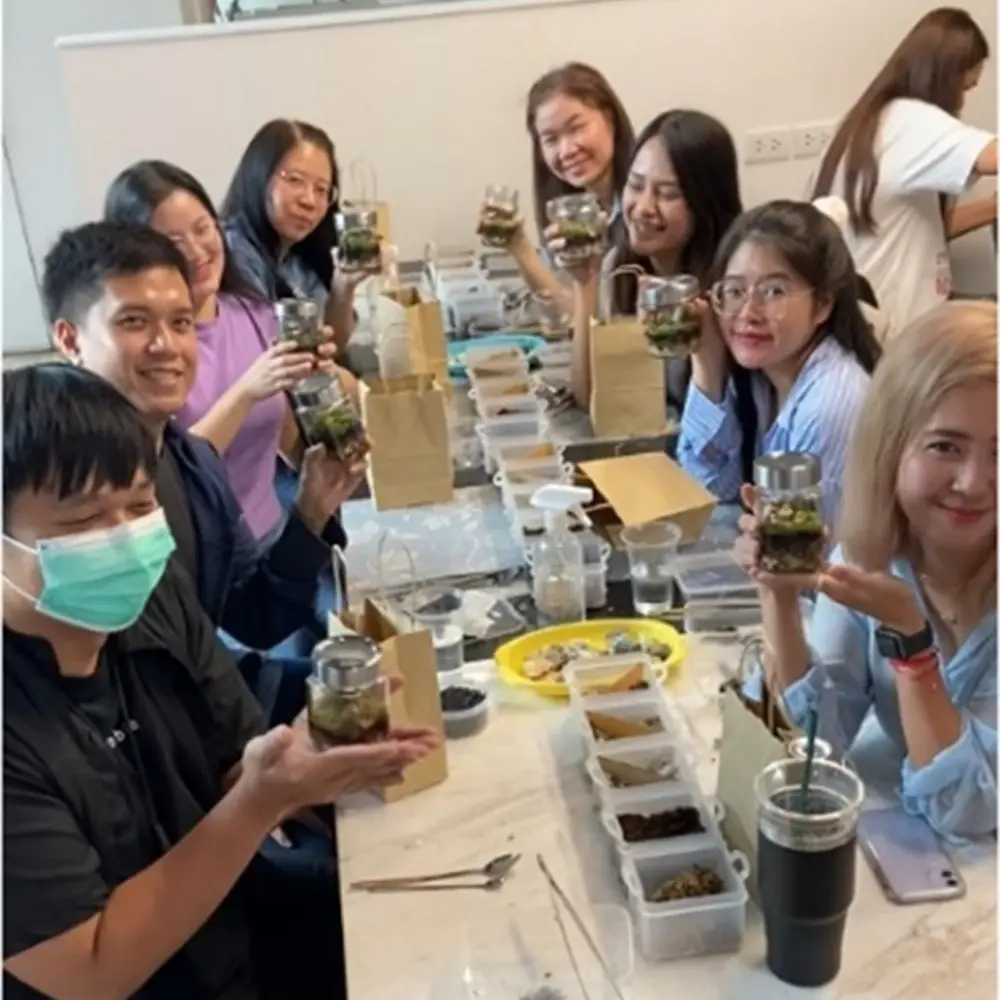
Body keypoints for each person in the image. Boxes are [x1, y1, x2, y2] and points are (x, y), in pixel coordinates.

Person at [1, 363, 437, 1000]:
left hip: (234, 925)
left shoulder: (149, 595)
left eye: (140, 505)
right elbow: (91, 972)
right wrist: (262, 800)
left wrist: (318, 764)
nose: (124, 541)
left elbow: (236, 757)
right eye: (82, 522)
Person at [42, 222, 359, 700]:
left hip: (206, 711)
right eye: (134, 322)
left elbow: (256, 617)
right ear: (70, 340)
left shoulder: (191, 464)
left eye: (180, 322)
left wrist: (311, 511)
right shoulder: (51, 492)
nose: (166, 345)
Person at [736, 301, 996, 840]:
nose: (973, 482)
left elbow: (972, 808)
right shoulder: (871, 560)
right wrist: (778, 597)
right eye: (945, 446)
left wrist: (912, 648)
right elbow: (808, 749)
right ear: (890, 448)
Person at [104, 159, 319, 542]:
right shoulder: (144, 353)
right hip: (200, 550)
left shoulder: (254, 312)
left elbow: (280, 425)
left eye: (203, 228)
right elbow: (169, 476)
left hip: (272, 531)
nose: (196, 251)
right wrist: (247, 391)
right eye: (173, 243)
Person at [676, 200, 881, 524]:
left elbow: (808, 545)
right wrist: (706, 364)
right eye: (735, 291)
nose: (748, 313)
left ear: (823, 304)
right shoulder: (764, 376)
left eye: (774, 292)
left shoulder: (828, 404)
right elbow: (711, 489)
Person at [811, 7, 997, 339]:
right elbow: (993, 157)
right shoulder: (911, 121)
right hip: (898, 327)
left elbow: (923, 227)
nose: (961, 101)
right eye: (964, 87)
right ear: (945, 76)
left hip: (867, 319)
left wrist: (992, 208)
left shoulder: (868, 123)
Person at [555, 109, 743, 411]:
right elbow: (590, 398)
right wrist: (585, 284)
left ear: (706, 202)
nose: (643, 207)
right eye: (635, 185)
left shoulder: (732, 294)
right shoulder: (619, 267)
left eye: (667, 194)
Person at [222, 119, 363, 357]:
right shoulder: (234, 251)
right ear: (259, 176)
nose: (309, 201)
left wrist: (344, 284)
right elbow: (273, 358)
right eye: (295, 180)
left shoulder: (296, 258)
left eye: (321, 189)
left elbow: (332, 346)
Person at [507, 63, 635, 309]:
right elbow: (574, 314)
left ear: (610, 119)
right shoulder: (569, 212)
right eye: (551, 139)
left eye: (576, 128)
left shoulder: (642, 207)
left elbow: (601, 318)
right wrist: (519, 246)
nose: (566, 151)